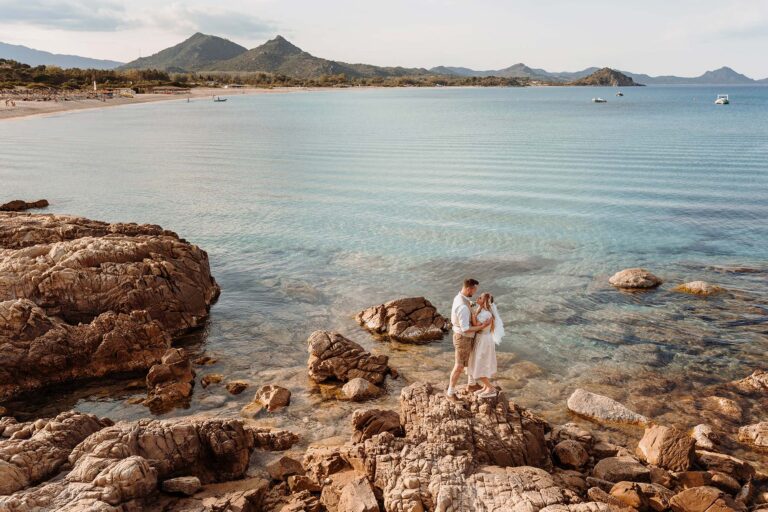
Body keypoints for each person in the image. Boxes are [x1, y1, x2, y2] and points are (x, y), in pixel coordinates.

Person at [447, 278, 491, 398]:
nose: (475, 293)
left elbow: (468, 309)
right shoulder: (463, 307)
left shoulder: (461, 298)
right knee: (459, 366)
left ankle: (472, 384)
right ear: (468, 288)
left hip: (464, 337)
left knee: (470, 361)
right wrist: (482, 326)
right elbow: (465, 328)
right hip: (463, 338)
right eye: (474, 290)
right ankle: (450, 393)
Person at [468, 292, 504, 398]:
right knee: (478, 362)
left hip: (484, 340)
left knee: (479, 363)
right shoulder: (481, 310)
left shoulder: (487, 314)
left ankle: (491, 388)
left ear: (484, 301)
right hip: (480, 338)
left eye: (480, 298)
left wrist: (471, 312)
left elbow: (476, 325)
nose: (477, 298)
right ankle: (485, 387)